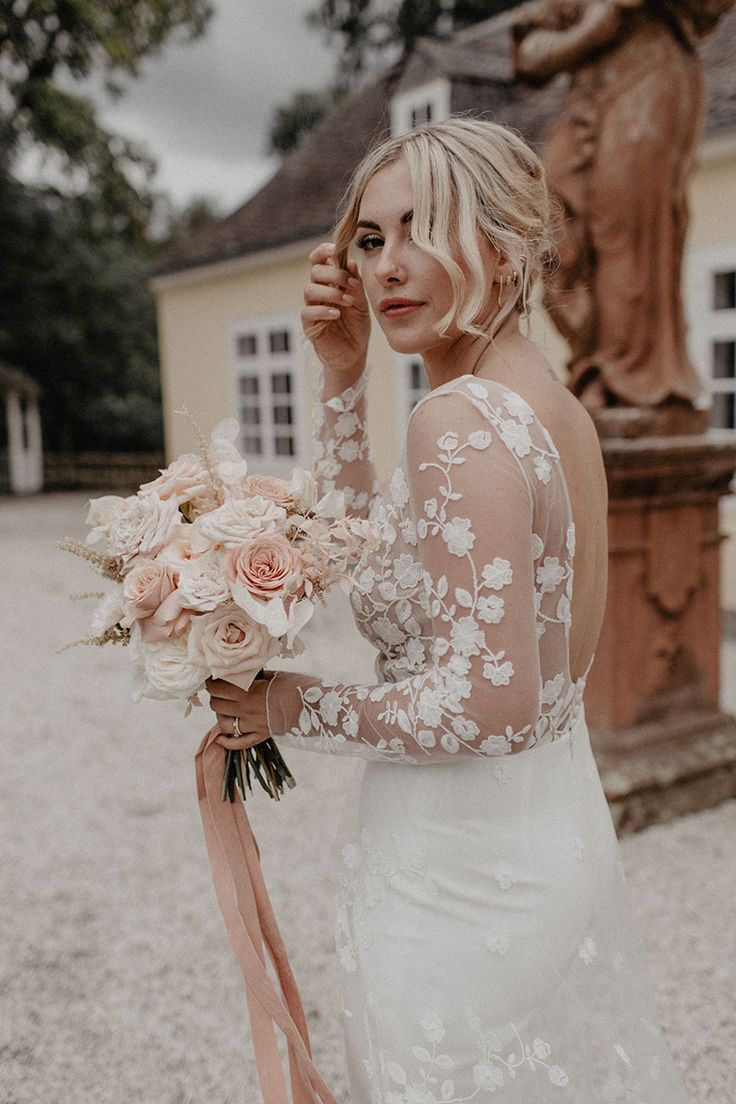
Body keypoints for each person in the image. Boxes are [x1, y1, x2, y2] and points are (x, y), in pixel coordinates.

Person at [205, 118, 690, 1102]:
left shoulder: (458, 421)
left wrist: (293, 706)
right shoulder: (546, 405)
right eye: (372, 238)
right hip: (534, 831)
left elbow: (492, 702)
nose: (388, 265)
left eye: (423, 228)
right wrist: (343, 379)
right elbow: (367, 557)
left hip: (462, 871)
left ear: (506, 243)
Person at [512, 0, 732, 412]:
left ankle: (620, 377)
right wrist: (589, 31)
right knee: (553, 223)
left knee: (624, 232)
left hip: (650, 75)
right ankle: (590, 359)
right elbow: (529, 53)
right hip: (585, 98)